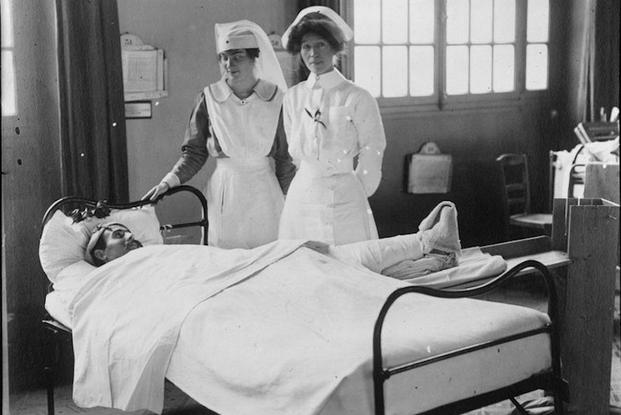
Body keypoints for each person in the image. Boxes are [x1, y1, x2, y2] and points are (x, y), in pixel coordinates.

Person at [142, 20, 296, 249]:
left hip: (265, 193)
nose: (229, 64)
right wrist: (168, 182)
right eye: (224, 57)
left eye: (237, 56)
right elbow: (194, 154)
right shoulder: (210, 98)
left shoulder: (276, 99)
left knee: (268, 256)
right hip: (225, 192)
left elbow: (284, 159)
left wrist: (293, 202)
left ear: (255, 57)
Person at [85, 203, 461, 275]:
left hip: (239, 266)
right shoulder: (119, 279)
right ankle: (429, 245)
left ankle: (429, 245)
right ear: (101, 256)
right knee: (339, 264)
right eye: (117, 236)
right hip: (233, 282)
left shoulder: (150, 256)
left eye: (127, 231)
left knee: (332, 258)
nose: (128, 237)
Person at [278, 6, 387, 245]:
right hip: (303, 195)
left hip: (345, 196)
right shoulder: (293, 97)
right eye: (306, 46)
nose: (313, 53)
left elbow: (373, 145)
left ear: (335, 48)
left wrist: (359, 188)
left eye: (321, 45)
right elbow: (294, 151)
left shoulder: (356, 96)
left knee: (347, 262)